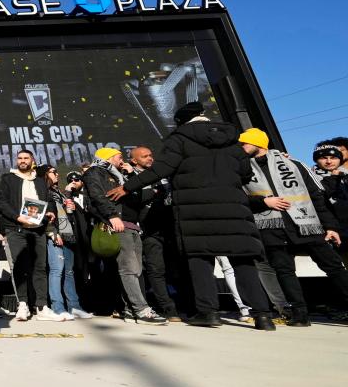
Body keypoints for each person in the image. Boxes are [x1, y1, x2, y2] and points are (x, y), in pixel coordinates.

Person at [107, 102, 275, 330]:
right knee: (243, 261)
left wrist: (127, 187)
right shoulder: (232, 142)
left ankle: (208, 313)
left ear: (181, 121)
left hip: (196, 210)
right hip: (233, 208)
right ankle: (263, 316)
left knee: (200, 260)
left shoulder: (180, 139)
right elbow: (245, 174)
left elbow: (161, 169)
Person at [240, 128, 348, 324]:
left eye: (244, 143)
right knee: (284, 271)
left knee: (333, 267)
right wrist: (263, 202)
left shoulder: (294, 163)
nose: (241, 147)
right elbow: (239, 198)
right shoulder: (241, 169)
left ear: (257, 143)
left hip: (308, 225)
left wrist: (331, 227)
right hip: (271, 227)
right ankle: (300, 315)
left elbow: (317, 196)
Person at [83, 147, 168, 325]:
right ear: (108, 157)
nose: (123, 161)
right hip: (118, 223)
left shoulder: (119, 174)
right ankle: (141, 310)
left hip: (132, 225)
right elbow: (98, 196)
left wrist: (132, 178)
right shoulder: (95, 172)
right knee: (128, 268)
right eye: (119, 157)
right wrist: (112, 216)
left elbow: (135, 196)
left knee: (136, 270)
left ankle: (129, 310)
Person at [0, 149, 61, 322]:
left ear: (32, 160)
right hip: (17, 229)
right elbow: (0, 201)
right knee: (20, 268)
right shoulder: (8, 179)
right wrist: (17, 216)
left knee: (40, 268)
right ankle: (22, 304)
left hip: (38, 229)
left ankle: (41, 307)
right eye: (20, 158)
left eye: (26, 158)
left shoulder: (39, 181)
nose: (22, 161)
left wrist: (51, 212)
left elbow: (50, 200)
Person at [128, 146, 180, 320]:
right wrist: (154, 192)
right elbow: (134, 199)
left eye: (151, 155)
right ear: (134, 161)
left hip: (171, 225)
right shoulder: (130, 177)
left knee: (178, 267)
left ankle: (189, 304)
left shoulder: (163, 173)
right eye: (145, 156)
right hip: (149, 229)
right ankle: (168, 308)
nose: (150, 158)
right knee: (156, 269)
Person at [40, 165, 92, 320]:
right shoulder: (43, 191)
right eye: (53, 172)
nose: (57, 174)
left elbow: (65, 214)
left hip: (68, 235)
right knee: (57, 270)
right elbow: (44, 214)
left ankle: (74, 307)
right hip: (54, 235)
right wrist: (52, 232)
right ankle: (57, 307)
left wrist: (68, 207)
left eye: (57, 171)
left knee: (69, 272)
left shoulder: (58, 192)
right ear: (45, 175)